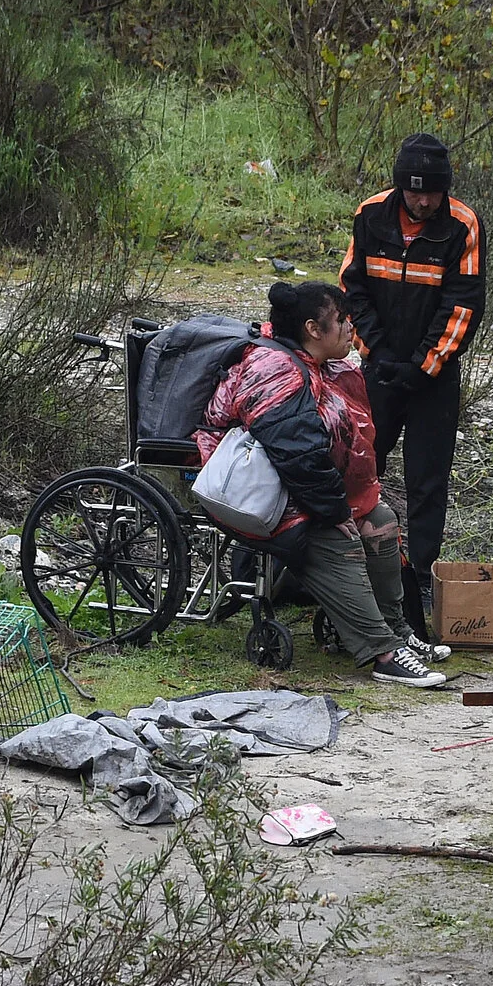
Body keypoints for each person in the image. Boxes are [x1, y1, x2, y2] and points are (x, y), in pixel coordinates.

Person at [198, 282, 448, 689]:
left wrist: (349, 505)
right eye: (342, 321)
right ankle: (382, 653)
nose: (352, 328)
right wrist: (334, 511)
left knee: (380, 520)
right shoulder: (276, 371)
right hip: (244, 488)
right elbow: (298, 455)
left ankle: (397, 631)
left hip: (284, 481)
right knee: (335, 535)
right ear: (314, 329)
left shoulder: (313, 365)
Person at [339, 132, 484, 643]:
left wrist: (424, 365)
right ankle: (348, 570)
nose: (422, 202)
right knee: (360, 469)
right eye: (414, 192)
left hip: (433, 379)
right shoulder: (371, 215)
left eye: (432, 194)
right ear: (399, 186)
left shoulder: (463, 225)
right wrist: (374, 350)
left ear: (445, 191)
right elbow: (351, 288)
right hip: (377, 370)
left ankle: (420, 577)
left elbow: (463, 305)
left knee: (427, 481)